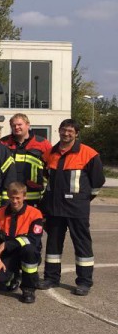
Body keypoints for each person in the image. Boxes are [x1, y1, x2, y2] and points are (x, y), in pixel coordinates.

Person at [38, 119, 105, 296]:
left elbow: (97, 182)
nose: (66, 134)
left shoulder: (89, 154)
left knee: (82, 245)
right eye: (63, 130)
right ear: (58, 131)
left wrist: (83, 199)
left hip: (77, 209)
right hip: (54, 208)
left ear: (76, 134)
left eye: (70, 131)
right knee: (53, 245)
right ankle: (51, 278)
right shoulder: (49, 153)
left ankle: (84, 282)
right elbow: (47, 177)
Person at [0, 182, 44, 303]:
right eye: (12, 198)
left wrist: (8, 244)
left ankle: (29, 288)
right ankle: (12, 278)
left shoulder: (35, 214)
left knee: (29, 249)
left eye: (18, 198)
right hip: (7, 255)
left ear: (24, 196)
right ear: (8, 196)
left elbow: (33, 239)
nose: (14, 201)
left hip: (26, 254)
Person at [0, 113, 52, 205]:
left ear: (28, 125)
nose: (16, 127)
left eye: (19, 124)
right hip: (10, 195)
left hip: (34, 195)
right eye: (13, 125)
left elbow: (50, 169)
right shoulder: (3, 143)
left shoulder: (43, 143)